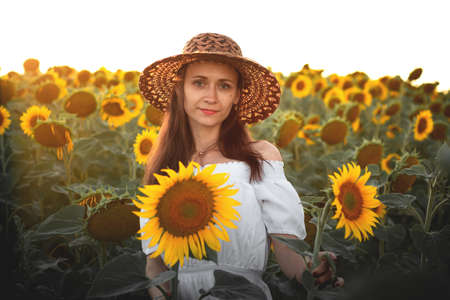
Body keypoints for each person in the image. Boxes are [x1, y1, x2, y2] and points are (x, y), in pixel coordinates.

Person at [137, 32, 343, 300]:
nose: (211, 96)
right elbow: (155, 263)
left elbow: (287, 252)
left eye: (224, 86)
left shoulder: (259, 159)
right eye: (199, 83)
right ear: (180, 89)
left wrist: (314, 268)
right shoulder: (164, 167)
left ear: (237, 95)